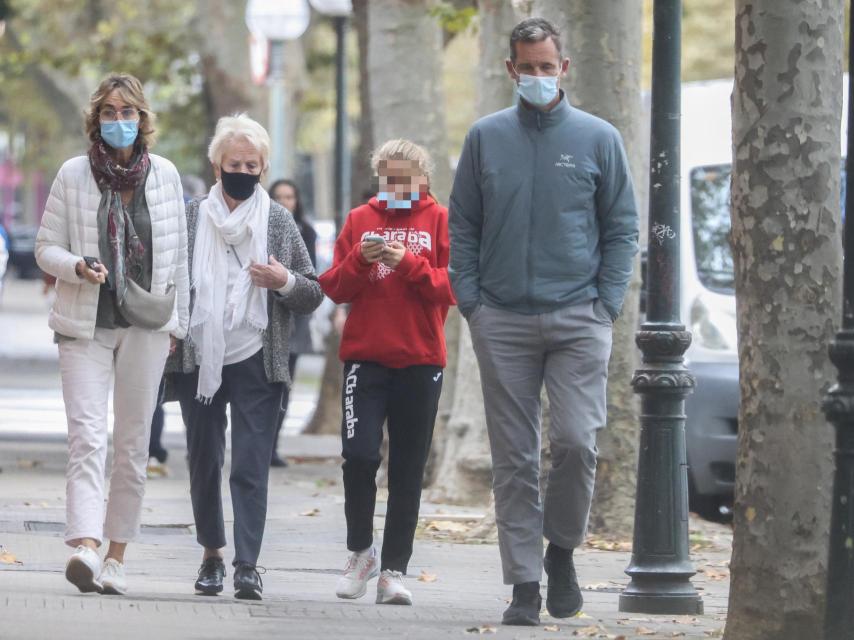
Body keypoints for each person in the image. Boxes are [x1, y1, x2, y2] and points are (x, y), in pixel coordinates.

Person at [448, 17, 639, 626]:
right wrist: (473, 303)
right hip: (501, 319)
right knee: (514, 458)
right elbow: (464, 226)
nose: (536, 76)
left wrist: (606, 303)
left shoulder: (598, 137)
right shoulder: (485, 137)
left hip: (579, 316)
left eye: (546, 66)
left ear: (564, 67)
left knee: (577, 443)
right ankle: (524, 583)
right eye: (525, 67)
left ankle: (561, 551)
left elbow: (622, 227)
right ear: (510, 70)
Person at [34, 72, 190, 595]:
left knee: (132, 442)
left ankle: (117, 554)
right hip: (85, 323)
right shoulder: (74, 175)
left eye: (127, 113)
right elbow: (44, 247)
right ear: (95, 120)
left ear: (142, 119)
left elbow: (180, 262)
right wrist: (77, 265)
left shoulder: (165, 176)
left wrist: (178, 325)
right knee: (86, 436)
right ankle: (85, 545)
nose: (118, 122)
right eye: (109, 112)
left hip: (147, 325)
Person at [166, 114, 323, 600]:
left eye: (251, 164)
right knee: (204, 459)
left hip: (259, 358)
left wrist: (285, 282)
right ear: (217, 165)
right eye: (234, 162)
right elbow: (169, 279)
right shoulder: (191, 217)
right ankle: (212, 554)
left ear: (263, 167)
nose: (242, 170)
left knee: (250, 464)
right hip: (201, 359)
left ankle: (247, 564)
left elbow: (312, 291)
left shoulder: (277, 220)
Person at [319, 139, 456, 606]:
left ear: (423, 178)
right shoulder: (361, 219)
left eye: (405, 179)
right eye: (388, 179)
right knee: (358, 457)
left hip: (421, 359)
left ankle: (394, 570)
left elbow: (452, 287)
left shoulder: (439, 219)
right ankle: (360, 552)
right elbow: (333, 286)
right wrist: (363, 258)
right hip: (366, 358)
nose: (396, 188)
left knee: (407, 469)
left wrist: (409, 262)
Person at [268, 178, 318, 467]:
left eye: (290, 197)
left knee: (285, 385)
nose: (285, 202)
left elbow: (311, 276)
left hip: (296, 319)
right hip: (268, 318)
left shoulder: (306, 232)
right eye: (279, 196)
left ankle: (273, 445)